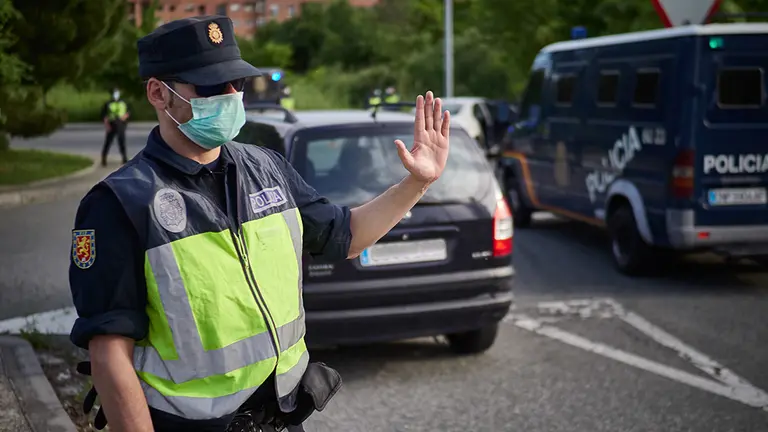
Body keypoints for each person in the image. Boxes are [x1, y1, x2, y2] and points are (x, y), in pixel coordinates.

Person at [68, 15, 451, 432]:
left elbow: (347, 236)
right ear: (159, 93)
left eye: (238, 83)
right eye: (213, 86)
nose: (232, 95)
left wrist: (418, 182)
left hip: (283, 420)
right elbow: (109, 354)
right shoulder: (119, 203)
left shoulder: (267, 168)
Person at [100, 87, 131, 166]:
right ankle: (104, 158)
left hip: (120, 124)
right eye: (114, 93)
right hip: (111, 124)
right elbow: (105, 116)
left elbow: (128, 112)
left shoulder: (123, 102)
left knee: (122, 142)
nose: (116, 95)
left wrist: (125, 117)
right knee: (108, 142)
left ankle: (124, 158)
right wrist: (107, 126)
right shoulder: (108, 103)